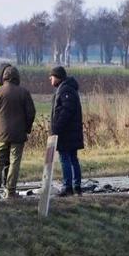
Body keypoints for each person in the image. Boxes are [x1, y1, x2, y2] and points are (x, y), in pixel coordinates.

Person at [0, 66, 36, 199]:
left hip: (0, 134)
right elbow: (31, 113)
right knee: (14, 161)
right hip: (18, 134)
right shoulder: (24, 92)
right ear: (17, 77)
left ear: (4, 77)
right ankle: (10, 191)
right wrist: (27, 128)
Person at [49, 66, 84, 197]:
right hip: (71, 132)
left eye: (51, 76)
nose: (50, 79)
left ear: (57, 77)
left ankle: (68, 186)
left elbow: (65, 112)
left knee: (65, 159)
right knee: (73, 159)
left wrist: (56, 128)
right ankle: (77, 186)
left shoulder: (65, 90)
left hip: (66, 133)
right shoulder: (67, 89)